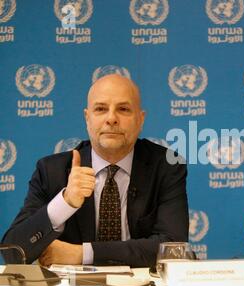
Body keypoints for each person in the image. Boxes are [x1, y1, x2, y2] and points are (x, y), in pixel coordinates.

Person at [2, 74, 189, 267]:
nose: (111, 119)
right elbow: (13, 253)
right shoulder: (51, 171)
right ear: (87, 118)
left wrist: (83, 254)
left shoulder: (166, 166)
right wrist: (65, 202)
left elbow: (174, 249)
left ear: (140, 120)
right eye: (100, 109)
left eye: (123, 109)